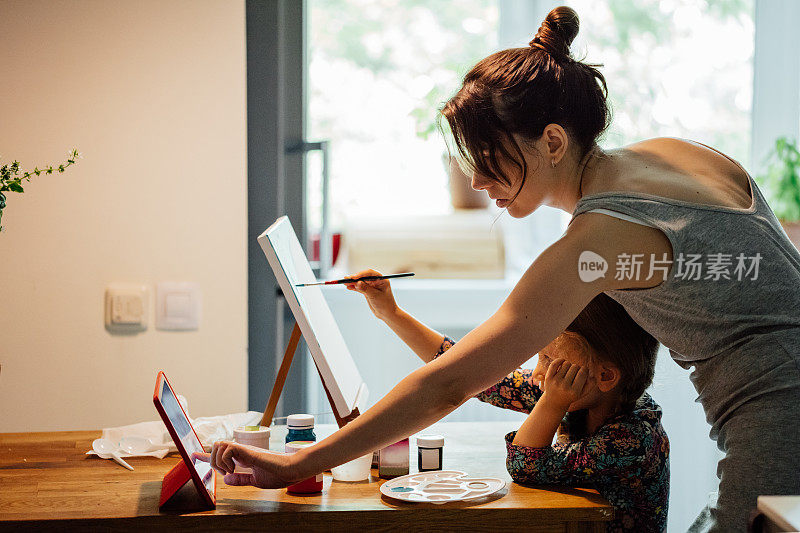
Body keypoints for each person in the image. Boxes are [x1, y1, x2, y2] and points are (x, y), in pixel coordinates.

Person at [197, 6, 800, 531]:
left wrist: (302, 462)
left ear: (553, 142)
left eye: (490, 162)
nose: (480, 183)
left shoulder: (596, 240)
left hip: (781, 414)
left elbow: (449, 383)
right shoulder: (674, 156)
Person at [348, 274, 669, 532]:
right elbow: (471, 373)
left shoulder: (632, 439)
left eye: (548, 360)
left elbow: (526, 466)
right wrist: (391, 313)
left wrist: (552, 403)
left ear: (606, 376)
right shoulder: (582, 394)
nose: (537, 375)